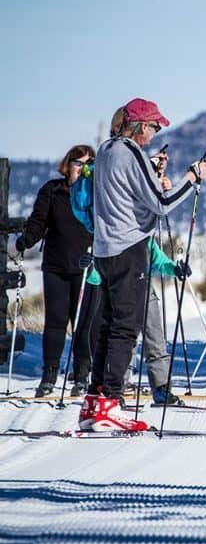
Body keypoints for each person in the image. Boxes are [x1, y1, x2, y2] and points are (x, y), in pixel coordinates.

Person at [80, 98, 206, 432]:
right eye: (152, 127)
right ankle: (111, 400)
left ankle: (95, 399)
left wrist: (151, 170)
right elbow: (162, 204)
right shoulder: (132, 152)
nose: (154, 133)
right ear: (138, 126)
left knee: (109, 323)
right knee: (125, 326)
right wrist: (191, 179)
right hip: (129, 247)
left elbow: (128, 189)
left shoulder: (107, 149)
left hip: (105, 250)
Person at [15, 144, 96, 397]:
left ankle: (82, 375)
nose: (83, 168)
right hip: (56, 265)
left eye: (89, 164)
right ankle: (49, 374)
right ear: (68, 164)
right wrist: (26, 239)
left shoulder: (96, 193)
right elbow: (39, 222)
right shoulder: (52, 190)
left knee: (83, 324)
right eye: (78, 163)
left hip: (86, 267)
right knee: (56, 322)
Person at [85, 236, 181, 405]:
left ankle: (161, 387)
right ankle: (119, 386)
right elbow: (96, 277)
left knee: (155, 337)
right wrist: (90, 268)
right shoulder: (110, 238)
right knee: (125, 339)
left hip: (144, 289)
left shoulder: (144, 237)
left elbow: (159, 260)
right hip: (122, 291)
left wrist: (176, 269)